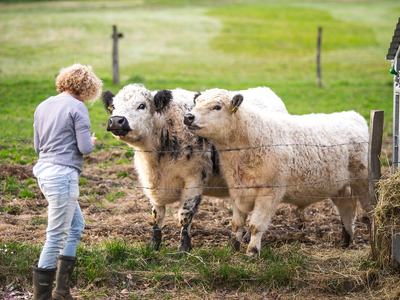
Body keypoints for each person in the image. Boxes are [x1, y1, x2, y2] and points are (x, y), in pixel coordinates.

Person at [32, 64, 102, 300]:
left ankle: (62, 291)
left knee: (75, 226)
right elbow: (84, 148)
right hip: (63, 176)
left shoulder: (43, 105)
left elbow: (37, 146)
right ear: (88, 87)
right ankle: (41, 297)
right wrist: (92, 141)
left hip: (44, 171)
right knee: (56, 235)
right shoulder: (77, 107)